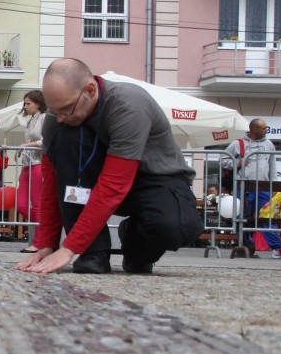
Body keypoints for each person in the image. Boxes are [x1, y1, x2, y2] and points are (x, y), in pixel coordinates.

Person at [16, 58, 203, 274]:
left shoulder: (129, 106)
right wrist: (46, 244)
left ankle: (135, 243)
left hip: (156, 179)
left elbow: (114, 184)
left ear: (90, 90)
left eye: (66, 109)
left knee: (173, 227)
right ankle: (94, 252)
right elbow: (51, 183)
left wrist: (68, 248)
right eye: (54, 111)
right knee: (65, 137)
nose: (58, 118)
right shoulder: (57, 117)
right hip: (100, 182)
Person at [221, 118, 279, 252]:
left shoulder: (268, 144)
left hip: (264, 187)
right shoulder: (238, 144)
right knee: (242, 217)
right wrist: (238, 163)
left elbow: (273, 166)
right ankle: (246, 245)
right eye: (263, 128)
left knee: (267, 217)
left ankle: (277, 248)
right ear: (254, 129)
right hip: (243, 187)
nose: (266, 130)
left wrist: (274, 186)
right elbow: (222, 160)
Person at [16, 90, 47, 253]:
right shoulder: (30, 121)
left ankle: (39, 241)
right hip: (28, 164)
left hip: (38, 163)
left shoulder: (44, 118)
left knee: (37, 204)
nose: (26, 107)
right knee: (21, 205)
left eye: (29, 103)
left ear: (38, 104)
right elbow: (32, 141)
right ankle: (43, 233)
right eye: (25, 104)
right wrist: (24, 147)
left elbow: (45, 141)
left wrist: (26, 146)